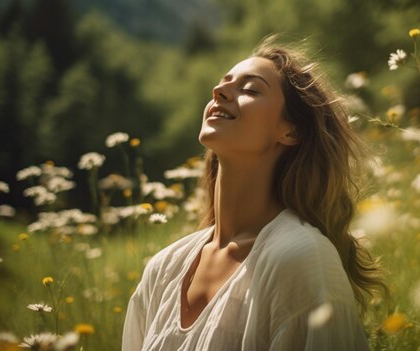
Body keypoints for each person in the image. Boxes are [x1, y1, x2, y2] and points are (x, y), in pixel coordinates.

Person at [122, 36, 385, 351]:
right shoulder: (162, 269)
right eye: (223, 84)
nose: (218, 92)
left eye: (250, 89)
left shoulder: (301, 258)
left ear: (291, 131)